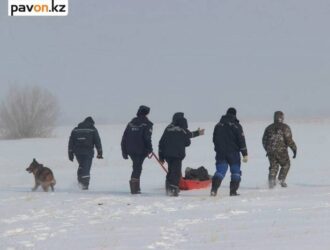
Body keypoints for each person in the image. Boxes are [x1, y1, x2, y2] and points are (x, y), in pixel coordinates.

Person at [158, 112, 205, 196]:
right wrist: (197, 133)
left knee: (171, 171)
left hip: (167, 154)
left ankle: (169, 189)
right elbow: (187, 141)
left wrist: (161, 157)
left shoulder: (168, 128)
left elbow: (161, 142)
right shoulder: (182, 129)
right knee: (176, 172)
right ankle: (173, 190)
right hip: (177, 154)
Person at [211, 108, 248, 197]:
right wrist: (245, 153)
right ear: (235, 115)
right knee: (235, 171)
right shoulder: (236, 126)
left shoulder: (218, 125)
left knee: (220, 171)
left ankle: (214, 190)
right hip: (233, 153)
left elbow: (214, 139)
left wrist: (218, 149)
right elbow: (241, 140)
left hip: (221, 153)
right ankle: (233, 192)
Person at [121, 105, 153, 194]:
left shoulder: (131, 123)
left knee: (136, 166)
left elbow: (124, 138)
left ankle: (136, 188)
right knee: (137, 167)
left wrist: (124, 151)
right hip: (141, 150)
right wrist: (150, 148)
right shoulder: (147, 124)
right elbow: (147, 138)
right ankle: (134, 188)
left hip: (130, 149)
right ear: (147, 113)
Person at [262, 111, 297, 188]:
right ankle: (281, 181)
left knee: (273, 167)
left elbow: (264, 141)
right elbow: (289, 140)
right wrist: (294, 149)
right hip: (282, 151)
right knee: (286, 164)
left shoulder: (268, 128)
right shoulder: (285, 127)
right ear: (282, 117)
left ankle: (271, 183)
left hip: (271, 151)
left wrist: (267, 149)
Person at [68, 116, 103, 190]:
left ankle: (80, 182)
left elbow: (71, 142)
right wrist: (99, 152)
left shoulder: (76, 129)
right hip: (88, 152)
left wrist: (70, 153)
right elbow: (97, 141)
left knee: (82, 165)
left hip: (77, 152)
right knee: (86, 167)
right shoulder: (92, 129)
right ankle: (84, 185)